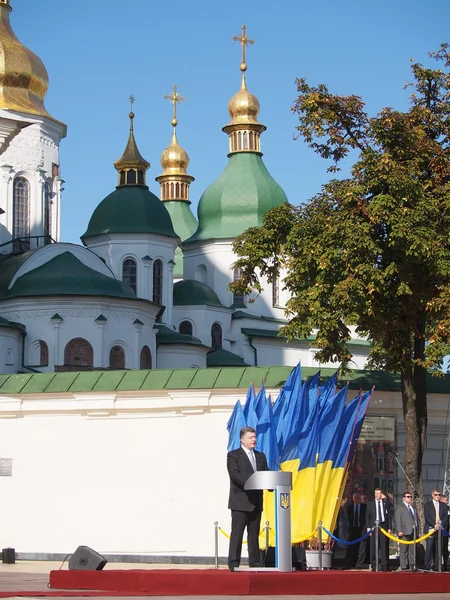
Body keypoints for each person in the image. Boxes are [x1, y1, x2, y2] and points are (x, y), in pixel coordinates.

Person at [227, 426, 269, 571]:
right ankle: (233, 563)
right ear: (242, 440)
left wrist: (273, 483)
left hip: (256, 501)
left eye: (255, 437)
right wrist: (251, 484)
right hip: (240, 501)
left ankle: (255, 563)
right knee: (237, 534)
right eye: (251, 437)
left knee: (254, 535)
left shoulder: (260, 456)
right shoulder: (233, 455)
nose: (254, 440)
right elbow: (235, 475)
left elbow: (266, 474)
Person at [366, 488, 392, 571]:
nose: (377, 495)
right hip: (374, 527)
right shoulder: (370, 504)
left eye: (378, 493)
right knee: (373, 547)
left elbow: (389, 516)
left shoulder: (385, 503)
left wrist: (389, 528)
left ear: (381, 494)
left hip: (383, 526)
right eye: (375, 493)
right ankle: (374, 565)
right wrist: (368, 528)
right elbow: (367, 517)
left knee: (384, 546)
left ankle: (385, 565)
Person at [425, 490, 449, 571]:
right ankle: (427, 566)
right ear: (432, 495)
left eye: (439, 495)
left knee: (438, 549)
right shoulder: (428, 505)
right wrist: (434, 525)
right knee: (429, 548)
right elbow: (427, 517)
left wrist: (441, 524)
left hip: (440, 529)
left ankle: (436, 566)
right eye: (435, 495)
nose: (437, 496)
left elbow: (446, 516)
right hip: (431, 529)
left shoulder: (443, 506)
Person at [395, 491, 419, 570]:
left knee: (412, 550)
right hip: (404, 531)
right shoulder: (400, 506)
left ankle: (412, 565)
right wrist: (399, 530)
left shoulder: (413, 507)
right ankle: (403, 566)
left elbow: (416, 519)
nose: (410, 498)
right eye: (408, 497)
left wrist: (418, 531)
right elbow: (397, 519)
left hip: (413, 531)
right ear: (403, 498)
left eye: (410, 496)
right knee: (403, 550)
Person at [344, 492, 366, 568]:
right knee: (351, 547)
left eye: (357, 498)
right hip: (352, 530)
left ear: (360, 499)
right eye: (355, 498)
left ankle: (359, 563)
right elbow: (347, 521)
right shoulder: (349, 508)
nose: (356, 499)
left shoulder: (364, 507)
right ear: (353, 499)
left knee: (361, 548)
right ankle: (349, 563)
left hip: (362, 529)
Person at [441, 495, 450, 571]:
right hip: (440, 531)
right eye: (446, 500)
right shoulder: (439, 509)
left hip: (446, 532)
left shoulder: (448, 509)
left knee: (445, 549)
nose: (447, 502)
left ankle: (446, 564)